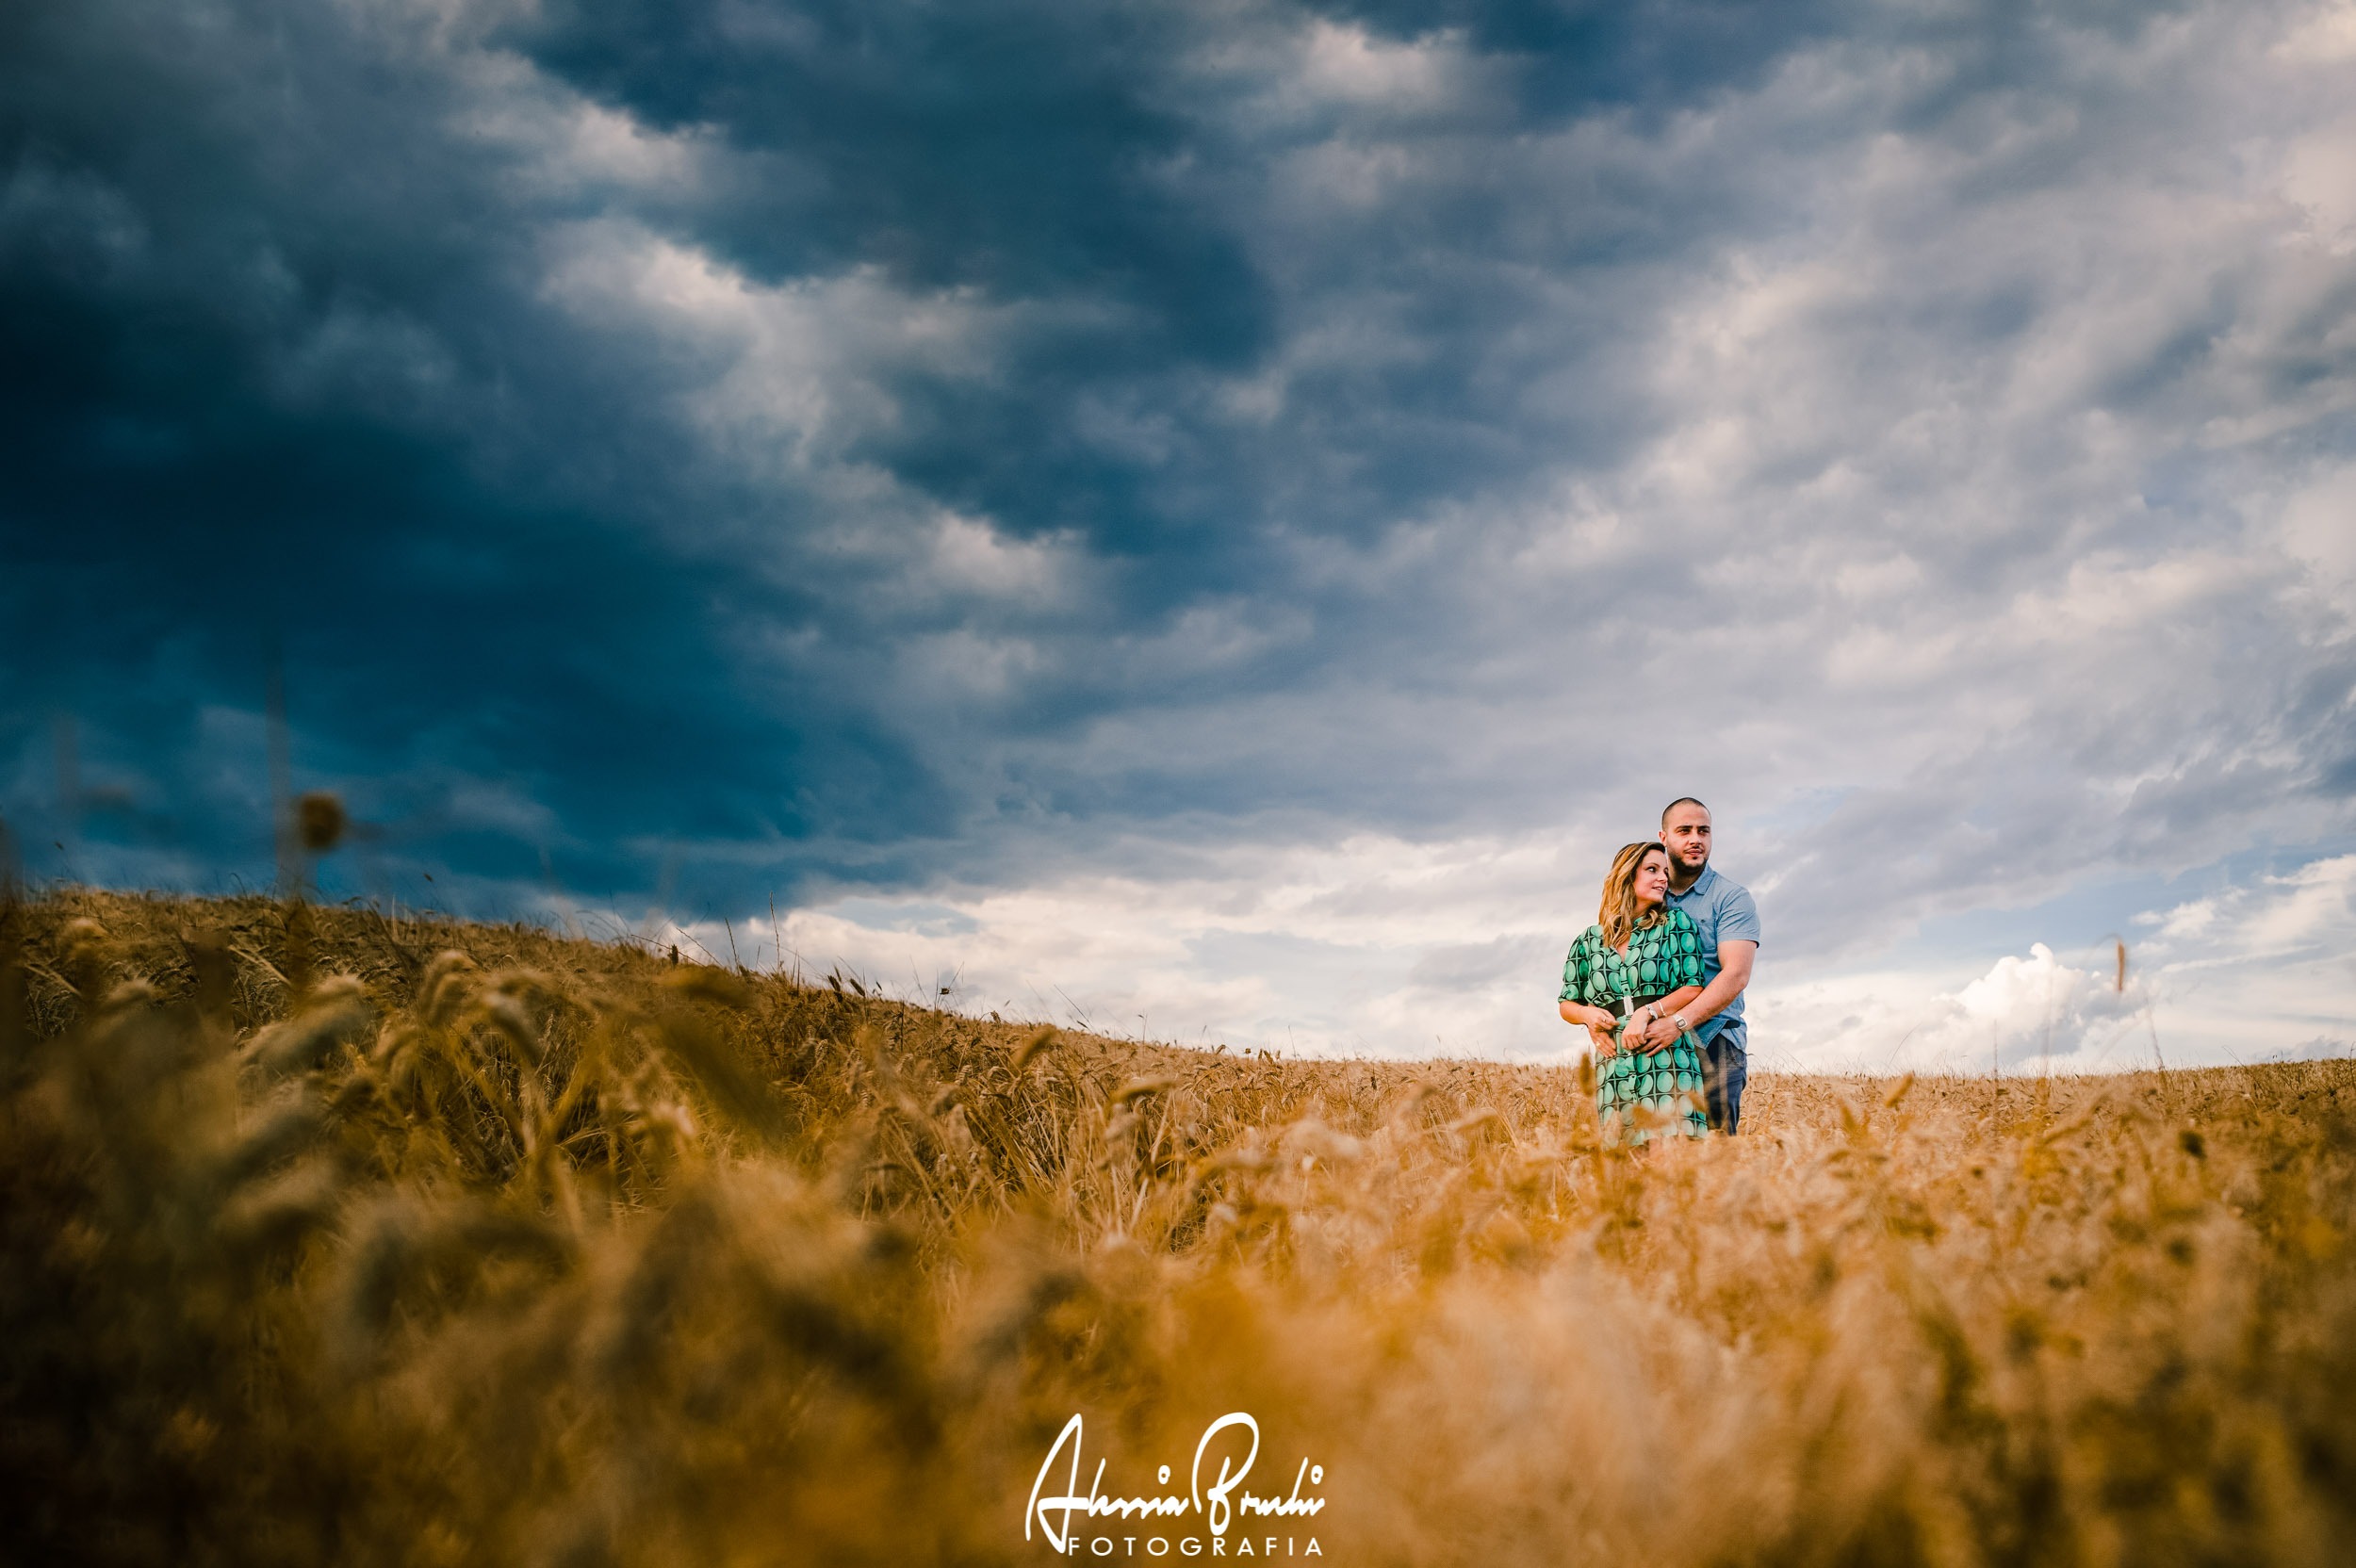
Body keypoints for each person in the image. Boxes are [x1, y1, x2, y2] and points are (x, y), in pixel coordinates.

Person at [1557, 841, 1710, 1145]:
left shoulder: (1674, 926)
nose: (1663, 878)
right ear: (1627, 876)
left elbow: (1693, 986)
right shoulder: (1589, 941)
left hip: (1665, 1056)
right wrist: (1587, 1015)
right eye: (1652, 870)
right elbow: (1567, 1003)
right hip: (1614, 1064)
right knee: (1626, 1169)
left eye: (1665, 871)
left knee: (1669, 1156)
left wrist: (1647, 1011)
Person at [1630, 797, 1760, 1134]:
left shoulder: (1730, 897)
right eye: (1684, 830)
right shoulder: (1648, 893)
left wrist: (1679, 1022)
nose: (1695, 839)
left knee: (1715, 1156)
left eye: (1703, 831)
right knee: (1653, 1149)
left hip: (1714, 1038)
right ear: (1664, 837)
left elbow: (1736, 974)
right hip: (1651, 1039)